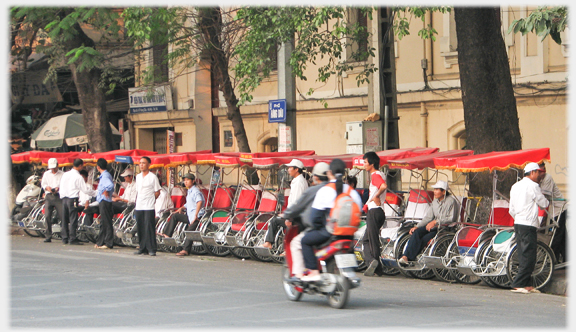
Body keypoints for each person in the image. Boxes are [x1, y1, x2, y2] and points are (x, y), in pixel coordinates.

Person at [300, 159, 363, 281]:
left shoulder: (325, 190)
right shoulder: (352, 192)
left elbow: (315, 218)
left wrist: (317, 227)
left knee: (305, 241)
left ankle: (313, 272)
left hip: (330, 233)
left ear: (329, 173)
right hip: (349, 236)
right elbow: (359, 214)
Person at [509, 162, 549, 294]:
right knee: (530, 255)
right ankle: (518, 283)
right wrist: (547, 202)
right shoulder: (533, 186)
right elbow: (543, 203)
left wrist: (518, 217)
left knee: (523, 253)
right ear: (532, 172)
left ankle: (527, 284)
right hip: (528, 223)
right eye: (538, 172)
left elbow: (511, 209)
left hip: (518, 222)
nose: (539, 175)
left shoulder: (515, 186)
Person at [398, 180, 459, 266]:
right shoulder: (435, 202)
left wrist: (436, 221)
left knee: (425, 238)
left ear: (444, 191)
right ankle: (405, 256)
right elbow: (428, 217)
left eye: (437, 189)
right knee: (417, 232)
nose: (435, 191)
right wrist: (417, 226)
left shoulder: (451, 201)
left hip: (444, 228)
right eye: (434, 189)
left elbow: (451, 218)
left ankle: (409, 258)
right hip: (433, 227)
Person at [286, 162, 330, 279]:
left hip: (322, 228)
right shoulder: (336, 188)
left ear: (315, 176)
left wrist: (287, 214)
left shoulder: (313, 189)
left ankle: (301, 275)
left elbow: (298, 204)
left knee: (299, 242)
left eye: (290, 167)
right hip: (340, 228)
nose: (289, 169)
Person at [263, 159, 308, 249]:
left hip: (296, 217)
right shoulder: (296, 181)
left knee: (288, 228)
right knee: (274, 221)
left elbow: (296, 202)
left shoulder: (299, 183)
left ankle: (286, 250)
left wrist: (289, 218)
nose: (288, 170)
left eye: (290, 168)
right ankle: (268, 243)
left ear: (296, 169)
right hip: (293, 214)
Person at [361, 151, 388, 277]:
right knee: (367, 239)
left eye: (365, 162)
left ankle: (375, 264)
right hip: (379, 211)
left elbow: (383, 186)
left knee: (372, 240)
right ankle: (374, 264)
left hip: (374, 210)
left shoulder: (375, 175)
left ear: (371, 163)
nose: (364, 165)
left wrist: (376, 196)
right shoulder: (381, 173)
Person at [59, 158, 96, 245]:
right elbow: (85, 190)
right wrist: (96, 193)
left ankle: (64, 237)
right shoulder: (78, 177)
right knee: (73, 218)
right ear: (80, 166)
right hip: (72, 199)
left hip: (64, 198)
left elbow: (61, 186)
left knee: (64, 218)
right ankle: (72, 238)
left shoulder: (65, 174)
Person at [170, 173, 206, 256]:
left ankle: (186, 250)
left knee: (190, 231)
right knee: (175, 216)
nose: (185, 182)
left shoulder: (195, 191)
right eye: (184, 180)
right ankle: (167, 235)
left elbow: (199, 201)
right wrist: (181, 208)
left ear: (193, 181)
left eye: (187, 180)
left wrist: (196, 215)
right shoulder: (189, 191)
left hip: (197, 216)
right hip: (190, 215)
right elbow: (188, 203)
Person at [538, 162, 568, 263]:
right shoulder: (537, 179)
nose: (543, 172)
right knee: (563, 236)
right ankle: (567, 258)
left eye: (544, 169)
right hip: (552, 210)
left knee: (556, 235)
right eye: (541, 170)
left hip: (558, 210)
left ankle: (552, 259)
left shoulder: (547, 178)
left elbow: (544, 198)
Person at [134, 156, 162, 256]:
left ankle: (151, 248)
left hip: (149, 205)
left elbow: (157, 192)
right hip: (139, 205)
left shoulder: (152, 177)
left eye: (143, 163)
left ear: (149, 165)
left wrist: (152, 199)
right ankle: (142, 247)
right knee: (140, 227)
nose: (141, 165)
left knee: (149, 227)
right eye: (140, 163)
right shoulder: (137, 177)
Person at [40, 158, 64, 243]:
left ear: (58, 165)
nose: (53, 170)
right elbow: (43, 183)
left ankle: (65, 235)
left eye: (54, 168)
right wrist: (47, 188)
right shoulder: (46, 174)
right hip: (49, 196)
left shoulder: (62, 174)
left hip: (58, 196)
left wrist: (58, 188)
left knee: (62, 216)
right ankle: (48, 235)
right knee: (47, 216)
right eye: (52, 168)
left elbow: (63, 184)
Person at [94, 158, 115, 250]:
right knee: (103, 222)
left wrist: (106, 191)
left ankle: (108, 242)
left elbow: (110, 185)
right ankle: (100, 241)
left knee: (107, 222)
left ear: (98, 167)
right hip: (103, 200)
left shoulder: (105, 176)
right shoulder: (104, 175)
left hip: (105, 201)